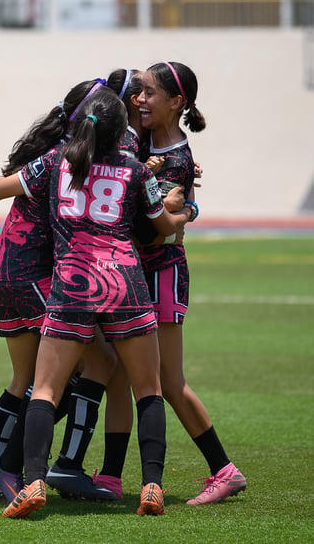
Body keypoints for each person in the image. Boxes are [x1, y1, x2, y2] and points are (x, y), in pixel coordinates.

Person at [0, 86, 195, 518]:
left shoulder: (53, 162)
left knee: (45, 388)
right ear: (123, 131)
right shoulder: (136, 171)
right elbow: (161, 223)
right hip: (125, 284)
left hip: (71, 285)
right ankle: (151, 486)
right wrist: (185, 210)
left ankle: (33, 483)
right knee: (148, 389)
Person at [0, 78, 117, 502]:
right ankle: (53, 467)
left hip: (5, 269)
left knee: (27, 378)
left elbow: (0, 188)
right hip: (32, 275)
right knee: (96, 363)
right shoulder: (66, 158)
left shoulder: (63, 152)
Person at [135, 60, 246, 505]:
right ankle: (97, 473)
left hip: (162, 271)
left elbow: (155, 225)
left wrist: (180, 212)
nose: (140, 99)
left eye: (149, 93)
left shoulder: (176, 159)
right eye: (138, 91)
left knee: (168, 380)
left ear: (177, 102)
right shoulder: (146, 142)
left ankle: (224, 470)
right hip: (139, 272)